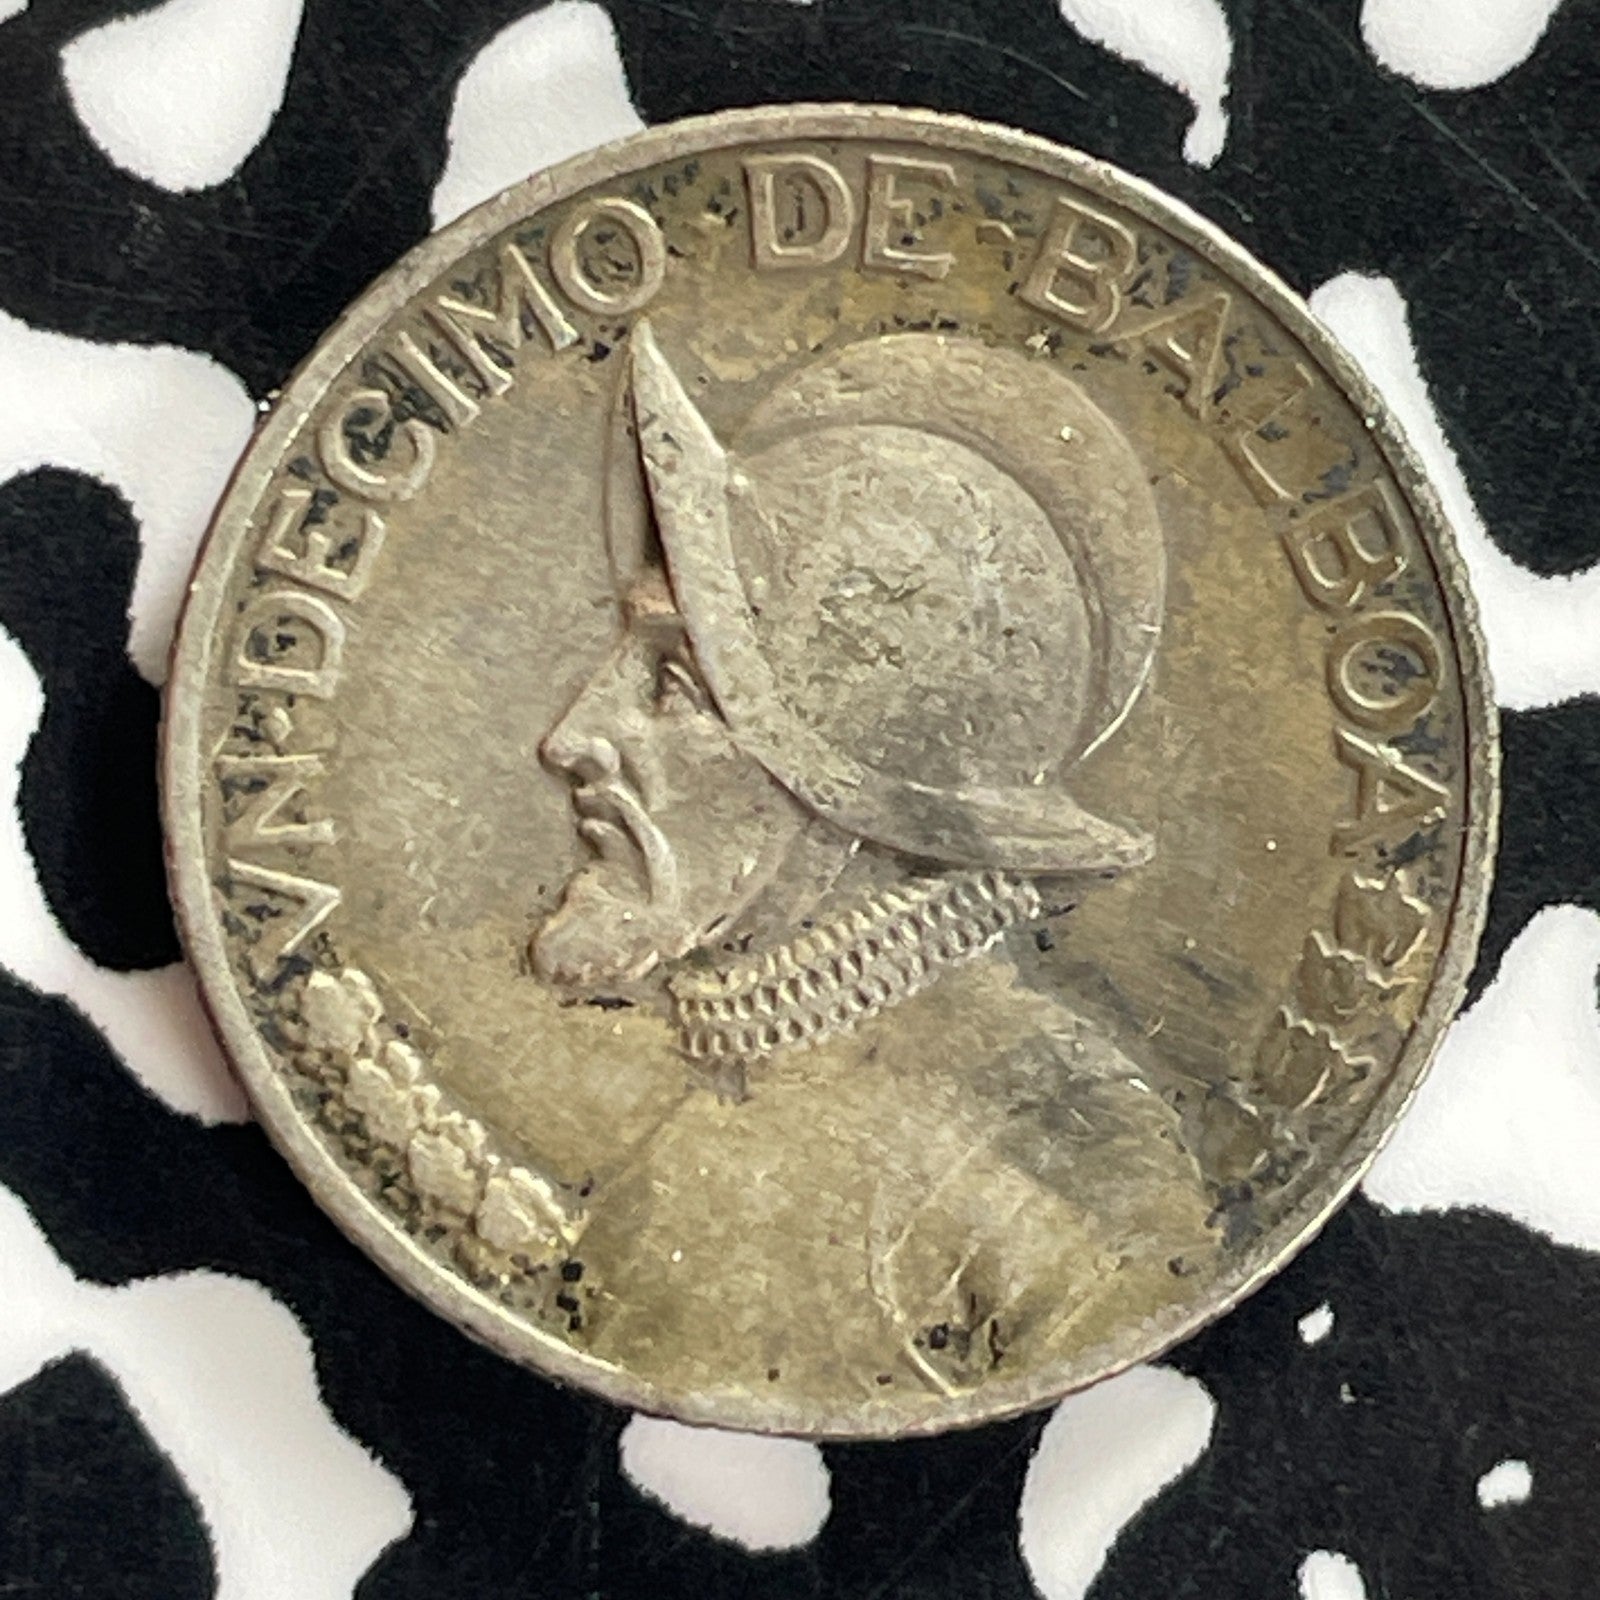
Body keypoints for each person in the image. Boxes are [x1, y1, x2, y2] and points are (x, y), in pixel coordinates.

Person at [527, 323, 1217, 1398]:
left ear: (849, 776)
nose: (570, 738)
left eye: (671, 686)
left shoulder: (1059, 1155)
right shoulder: (736, 1080)